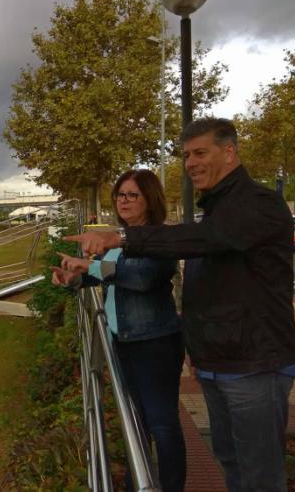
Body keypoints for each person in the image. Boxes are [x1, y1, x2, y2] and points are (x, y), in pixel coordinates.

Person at [64, 118, 295, 492]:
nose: (191, 163)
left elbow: (196, 243)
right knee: (232, 462)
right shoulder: (218, 209)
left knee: (259, 475)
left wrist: (121, 238)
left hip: (255, 364)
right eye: (186, 155)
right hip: (218, 362)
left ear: (229, 152)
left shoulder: (257, 204)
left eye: (200, 153)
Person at [53, 169, 186, 492]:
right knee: (135, 421)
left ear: (149, 199)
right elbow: (106, 274)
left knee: (162, 424)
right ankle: (136, 482)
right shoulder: (119, 237)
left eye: (132, 195)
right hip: (124, 342)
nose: (123, 201)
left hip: (154, 345)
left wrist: (90, 265)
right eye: (119, 195)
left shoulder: (159, 239)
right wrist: (73, 278)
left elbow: (140, 277)